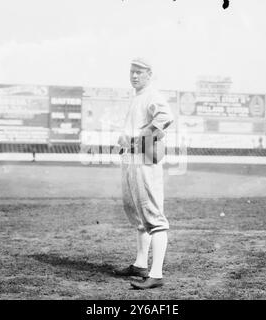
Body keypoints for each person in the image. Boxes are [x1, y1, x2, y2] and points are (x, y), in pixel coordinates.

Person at [114, 58, 174, 289]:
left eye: (139, 72)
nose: (134, 76)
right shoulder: (138, 96)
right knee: (137, 213)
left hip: (145, 158)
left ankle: (156, 274)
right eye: (132, 72)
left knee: (153, 216)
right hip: (131, 158)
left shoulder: (152, 95)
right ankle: (140, 264)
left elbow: (165, 117)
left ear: (149, 74)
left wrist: (141, 136)